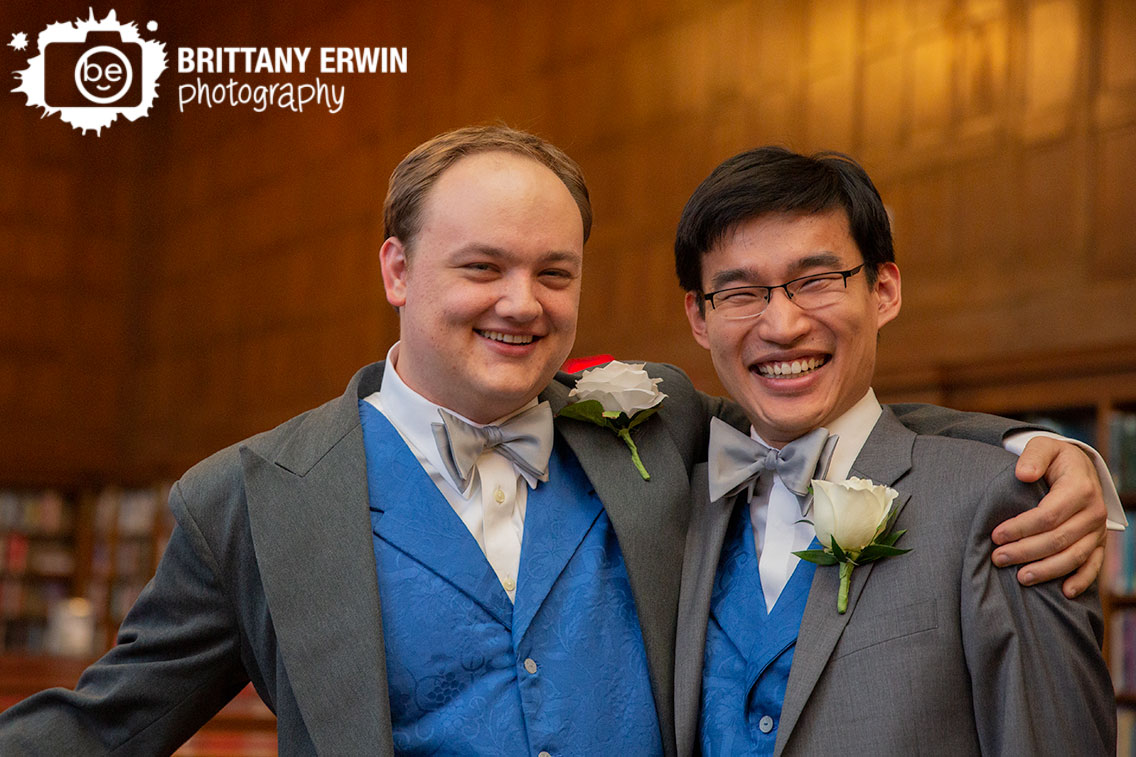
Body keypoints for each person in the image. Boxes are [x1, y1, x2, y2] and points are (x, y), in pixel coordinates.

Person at [0, 127, 1114, 756]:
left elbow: (817, 418)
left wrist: (1049, 450)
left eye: (554, 271)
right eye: (480, 267)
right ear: (395, 270)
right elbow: (107, 728)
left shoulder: (647, 425)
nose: (519, 304)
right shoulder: (246, 496)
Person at [672, 146, 1115, 755]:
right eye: (741, 293)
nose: (781, 325)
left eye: (816, 282)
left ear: (883, 290)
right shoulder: (674, 507)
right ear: (699, 316)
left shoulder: (1002, 505)